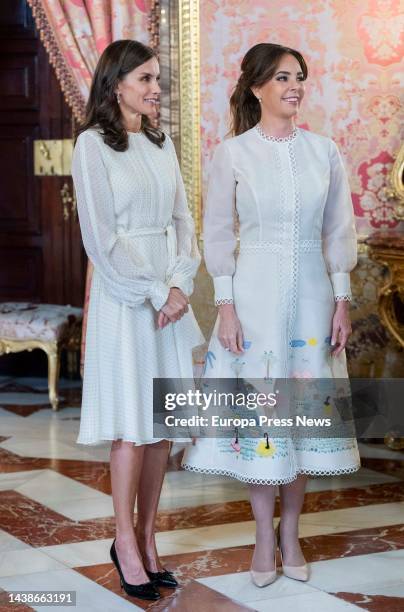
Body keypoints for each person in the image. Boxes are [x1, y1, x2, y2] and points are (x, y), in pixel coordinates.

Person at [182, 43, 360, 587]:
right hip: (253, 300)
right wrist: (227, 307)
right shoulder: (232, 154)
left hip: (312, 297)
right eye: (283, 77)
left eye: (299, 77)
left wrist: (343, 299)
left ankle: (291, 533)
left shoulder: (324, 151)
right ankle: (263, 536)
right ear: (257, 86)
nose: (294, 87)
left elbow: (337, 232)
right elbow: (217, 235)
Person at [72, 40, 204, 601]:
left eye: (158, 80)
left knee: (162, 429)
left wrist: (178, 285)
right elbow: (100, 240)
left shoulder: (161, 140)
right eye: (146, 78)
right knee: (132, 427)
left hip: (166, 297)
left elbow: (183, 222)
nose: (156, 89)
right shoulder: (92, 145)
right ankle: (123, 541)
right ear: (116, 83)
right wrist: (155, 291)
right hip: (127, 298)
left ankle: (149, 541)